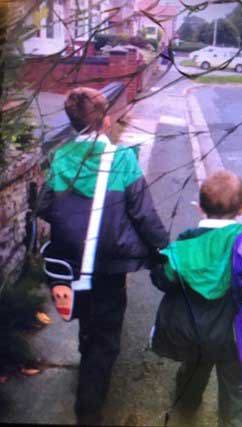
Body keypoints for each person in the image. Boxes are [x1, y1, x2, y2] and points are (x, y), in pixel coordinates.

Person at [37, 87, 169, 424]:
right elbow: (143, 214)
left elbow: (45, 207)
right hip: (110, 264)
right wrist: (164, 250)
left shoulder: (62, 156)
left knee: (86, 316)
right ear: (106, 120)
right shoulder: (123, 159)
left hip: (72, 260)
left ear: (71, 123)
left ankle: (86, 352)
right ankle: (90, 407)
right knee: (106, 336)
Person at [150, 170, 242, 427]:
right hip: (238, 337)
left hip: (193, 333)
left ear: (200, 208)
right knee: (238, 392)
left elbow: (161, 279)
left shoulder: (183, 246)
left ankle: (186, 407)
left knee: (192, 373)